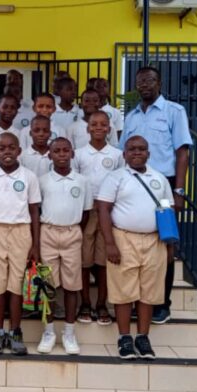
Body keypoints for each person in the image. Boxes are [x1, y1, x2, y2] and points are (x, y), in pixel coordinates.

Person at [119, 66, 192, 324]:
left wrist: (179, 191)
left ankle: (162, 303)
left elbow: (182, 152)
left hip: (164, 185)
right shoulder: (131, 117)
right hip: (133, 183)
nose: (145, 86)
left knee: (165, 244)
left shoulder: (174, 111)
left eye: (150, 81)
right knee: (136, 245)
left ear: (159, 83)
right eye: (140, 82)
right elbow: (122, 153)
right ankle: (138, 301)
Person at [97, 135, 173, 359]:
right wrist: (110, 243)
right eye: (131, 149)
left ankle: (143, 336)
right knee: (124, 290)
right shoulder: (115, 178)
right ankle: (124, 338)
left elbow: (168, 212)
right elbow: (103, 209)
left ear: (148, 153)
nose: (137, 153)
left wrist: (169, 245)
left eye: (141, 149)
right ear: (124, 154)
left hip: (154, 240)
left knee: (148, 291)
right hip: (124, 238)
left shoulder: (160, 179)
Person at [0, 132, 41, 355]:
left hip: (21, 232)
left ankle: (15, 331)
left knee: (17, 284)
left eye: (11, 147)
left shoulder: (29, 176)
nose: (7, 152)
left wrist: (36, 245)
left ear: (19, 151)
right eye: (2, 148)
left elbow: (34, 211)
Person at [36, 137, 91, 355]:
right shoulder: (42, 180)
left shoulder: (82, 181)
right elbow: (36, 209)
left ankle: (69, 332)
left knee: (71, 285)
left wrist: (74, 229)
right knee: (47, 285)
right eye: (56, 151)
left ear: (72, 154)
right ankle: (48, 332)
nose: (61, 154)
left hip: (72, 232)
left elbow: (86, 213)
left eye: (65, 150)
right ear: (49, 155)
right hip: (48, 232)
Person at [75, 111, 124, 326]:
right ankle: (85, 302)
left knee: (103, 262)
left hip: (107, 212)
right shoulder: (78, 154)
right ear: (87, 128)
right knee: (84, 261)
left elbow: (121, 183)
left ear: (109, 129)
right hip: (85, 211)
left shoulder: (116, 155)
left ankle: (101, 303)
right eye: (93, 124)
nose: (98, 127)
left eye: (103, 124)